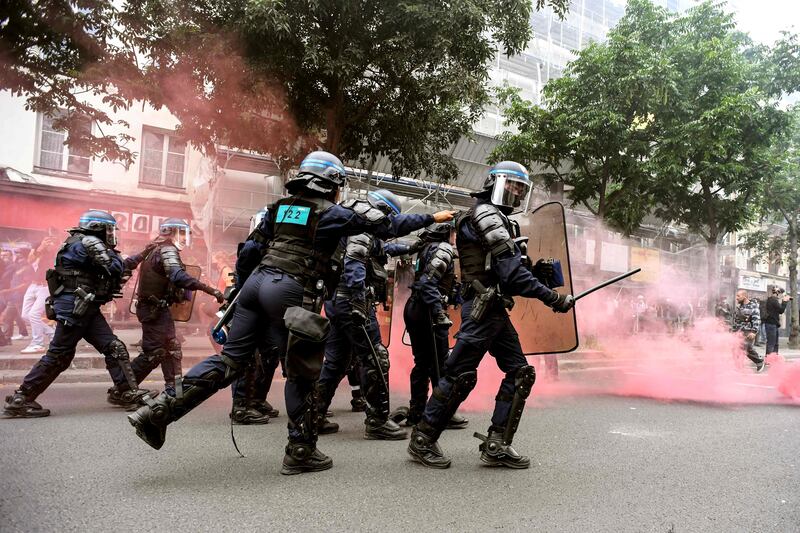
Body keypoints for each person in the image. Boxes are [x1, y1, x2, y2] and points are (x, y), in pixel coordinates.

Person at [127, 151, 454, 475]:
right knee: (301, 371)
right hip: (291, 289)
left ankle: (156, 411)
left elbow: (250, 252)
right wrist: (431, 217)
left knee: (230, 362)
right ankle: (301, 451)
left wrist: (238, 292)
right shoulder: (331, 213)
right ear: (331, 184)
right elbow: (388, 225)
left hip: (255, 287)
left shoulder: (277, 209)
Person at [406, 161, 574, 470]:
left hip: (494, 308)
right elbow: (511, 275)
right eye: (512, 185)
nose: (516, 192)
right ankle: (423, 438)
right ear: (494, 183)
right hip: (483, 309)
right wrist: (553, 298)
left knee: (520, 372)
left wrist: (536, 272)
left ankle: (497, 443)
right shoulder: (485, 214)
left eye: (521, 188)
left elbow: (508, 272)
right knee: (459, 376)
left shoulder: (500, 219)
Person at [3, 211, 152, 417]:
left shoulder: (79, 242)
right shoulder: (89, 242)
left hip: (84, 306)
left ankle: (126, 392)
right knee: (59, 355)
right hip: (76, 307)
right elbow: (115, 267)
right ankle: (22, 398)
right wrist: (124, 257)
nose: (111, 233)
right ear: (98, 227)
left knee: (113, 347)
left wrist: (141, 255)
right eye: (109, 229)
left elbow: (113, 267)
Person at [316, 189, 425, 440]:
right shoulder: (362, 228)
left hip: (337, 301)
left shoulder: (358, 228)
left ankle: (314, 415)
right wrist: (357, 297)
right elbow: (355, 260)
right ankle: (377, 420)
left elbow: (383, 249)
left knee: (336, 362)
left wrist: (412, 245)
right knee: (376, 357)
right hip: (353, 301)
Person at [107, 219, 225, 407]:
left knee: (171, 348)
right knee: (155, 352)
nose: (185, 239)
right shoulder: (167, 249)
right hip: (154, 309)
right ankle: (121, 389)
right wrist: (210, 290)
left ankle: (174, 391)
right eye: (183, 234)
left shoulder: (155, 248)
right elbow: (177, 276)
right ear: (173, 233)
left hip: (157, 308)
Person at [391, 222, 468, 429]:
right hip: (427, 311)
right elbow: (427, 283)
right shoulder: (442, 249)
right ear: (445, 233)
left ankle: (417, 412)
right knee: (441, 364)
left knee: (423, 363)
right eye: (453, 232)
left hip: (416, 308)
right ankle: (441, 411)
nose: (455, 236)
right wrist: (438, 312)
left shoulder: (427, 249)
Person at [229, 207, 281, 425]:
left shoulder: (276, 247)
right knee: (248, 356)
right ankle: (241, 406)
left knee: (271, 353)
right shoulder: (253, 246)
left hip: (267, 305)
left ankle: (257, 398)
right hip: (251, 305)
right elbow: (244, 278)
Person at [20, 236, 59, 354]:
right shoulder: (37, 250)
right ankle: (51, 333)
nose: (49, 243)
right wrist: (40, 248)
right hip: (33, 285)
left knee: (34, 314)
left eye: (51, 241)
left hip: (45, 286)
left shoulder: (54, 253)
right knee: (25, 315)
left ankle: (38, 343)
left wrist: (52, 247)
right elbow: (30, 260)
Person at [732, 289, 765, 373]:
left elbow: (757, 320)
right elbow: (736, 321)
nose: (737, 298)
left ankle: (759, 361)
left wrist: (754, 332)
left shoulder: (753, 306)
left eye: (738, 296)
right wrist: (733, 331)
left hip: (748, 331)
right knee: (736, 349)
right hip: (739, 331)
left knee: (746, 349)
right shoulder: (739, 307)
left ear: (745, 296)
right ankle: (738, 367)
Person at [764, 287, 790, 356]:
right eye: (781, 294)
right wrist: (784, 301)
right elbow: (781, 310)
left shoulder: (772, 300)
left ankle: (774, 358)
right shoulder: (773, 300)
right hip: (771, 324)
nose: (782, 296)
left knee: (775, 343)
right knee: (771, 343)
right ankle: (769, 359)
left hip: (773, 324)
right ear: (778, 293)